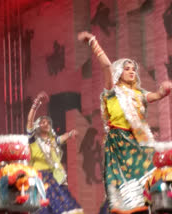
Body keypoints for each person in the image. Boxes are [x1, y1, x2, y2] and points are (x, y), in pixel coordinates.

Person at [78, 31, 172, 213]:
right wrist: (92, 41)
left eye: (133, 69)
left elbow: (156, 95)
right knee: (127, 192)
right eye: (127, 68)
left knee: (155, 176)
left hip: (141, 142)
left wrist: (164, 90)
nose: (131, 71)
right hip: (120, 145)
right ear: (118, 72)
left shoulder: (139, 94)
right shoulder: (112, 91)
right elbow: (106, 65)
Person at [27, 92, 84, 214]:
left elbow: (60, 139)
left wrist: (70, 134)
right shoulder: (33, 140)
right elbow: (29, 121)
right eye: (42, 122)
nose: (46, 123)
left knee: (63, 206)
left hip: (53, 177)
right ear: (37, 127)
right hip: (38, 178)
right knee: (43, 208)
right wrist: (36, 104)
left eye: (47, 122)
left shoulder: (51, 140)